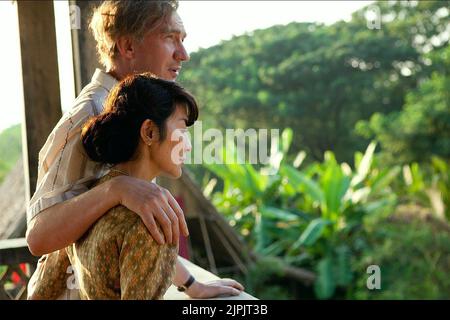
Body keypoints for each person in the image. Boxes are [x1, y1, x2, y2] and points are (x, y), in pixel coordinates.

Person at [26, 0, 243, 299]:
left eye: (183, 40)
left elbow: (137, 228)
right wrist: (115, 189)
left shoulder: (133, 113)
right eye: (170, 38)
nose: (184, 54)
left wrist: (191, 284)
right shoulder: (89, 114)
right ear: (128, 46)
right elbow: (38, 237)